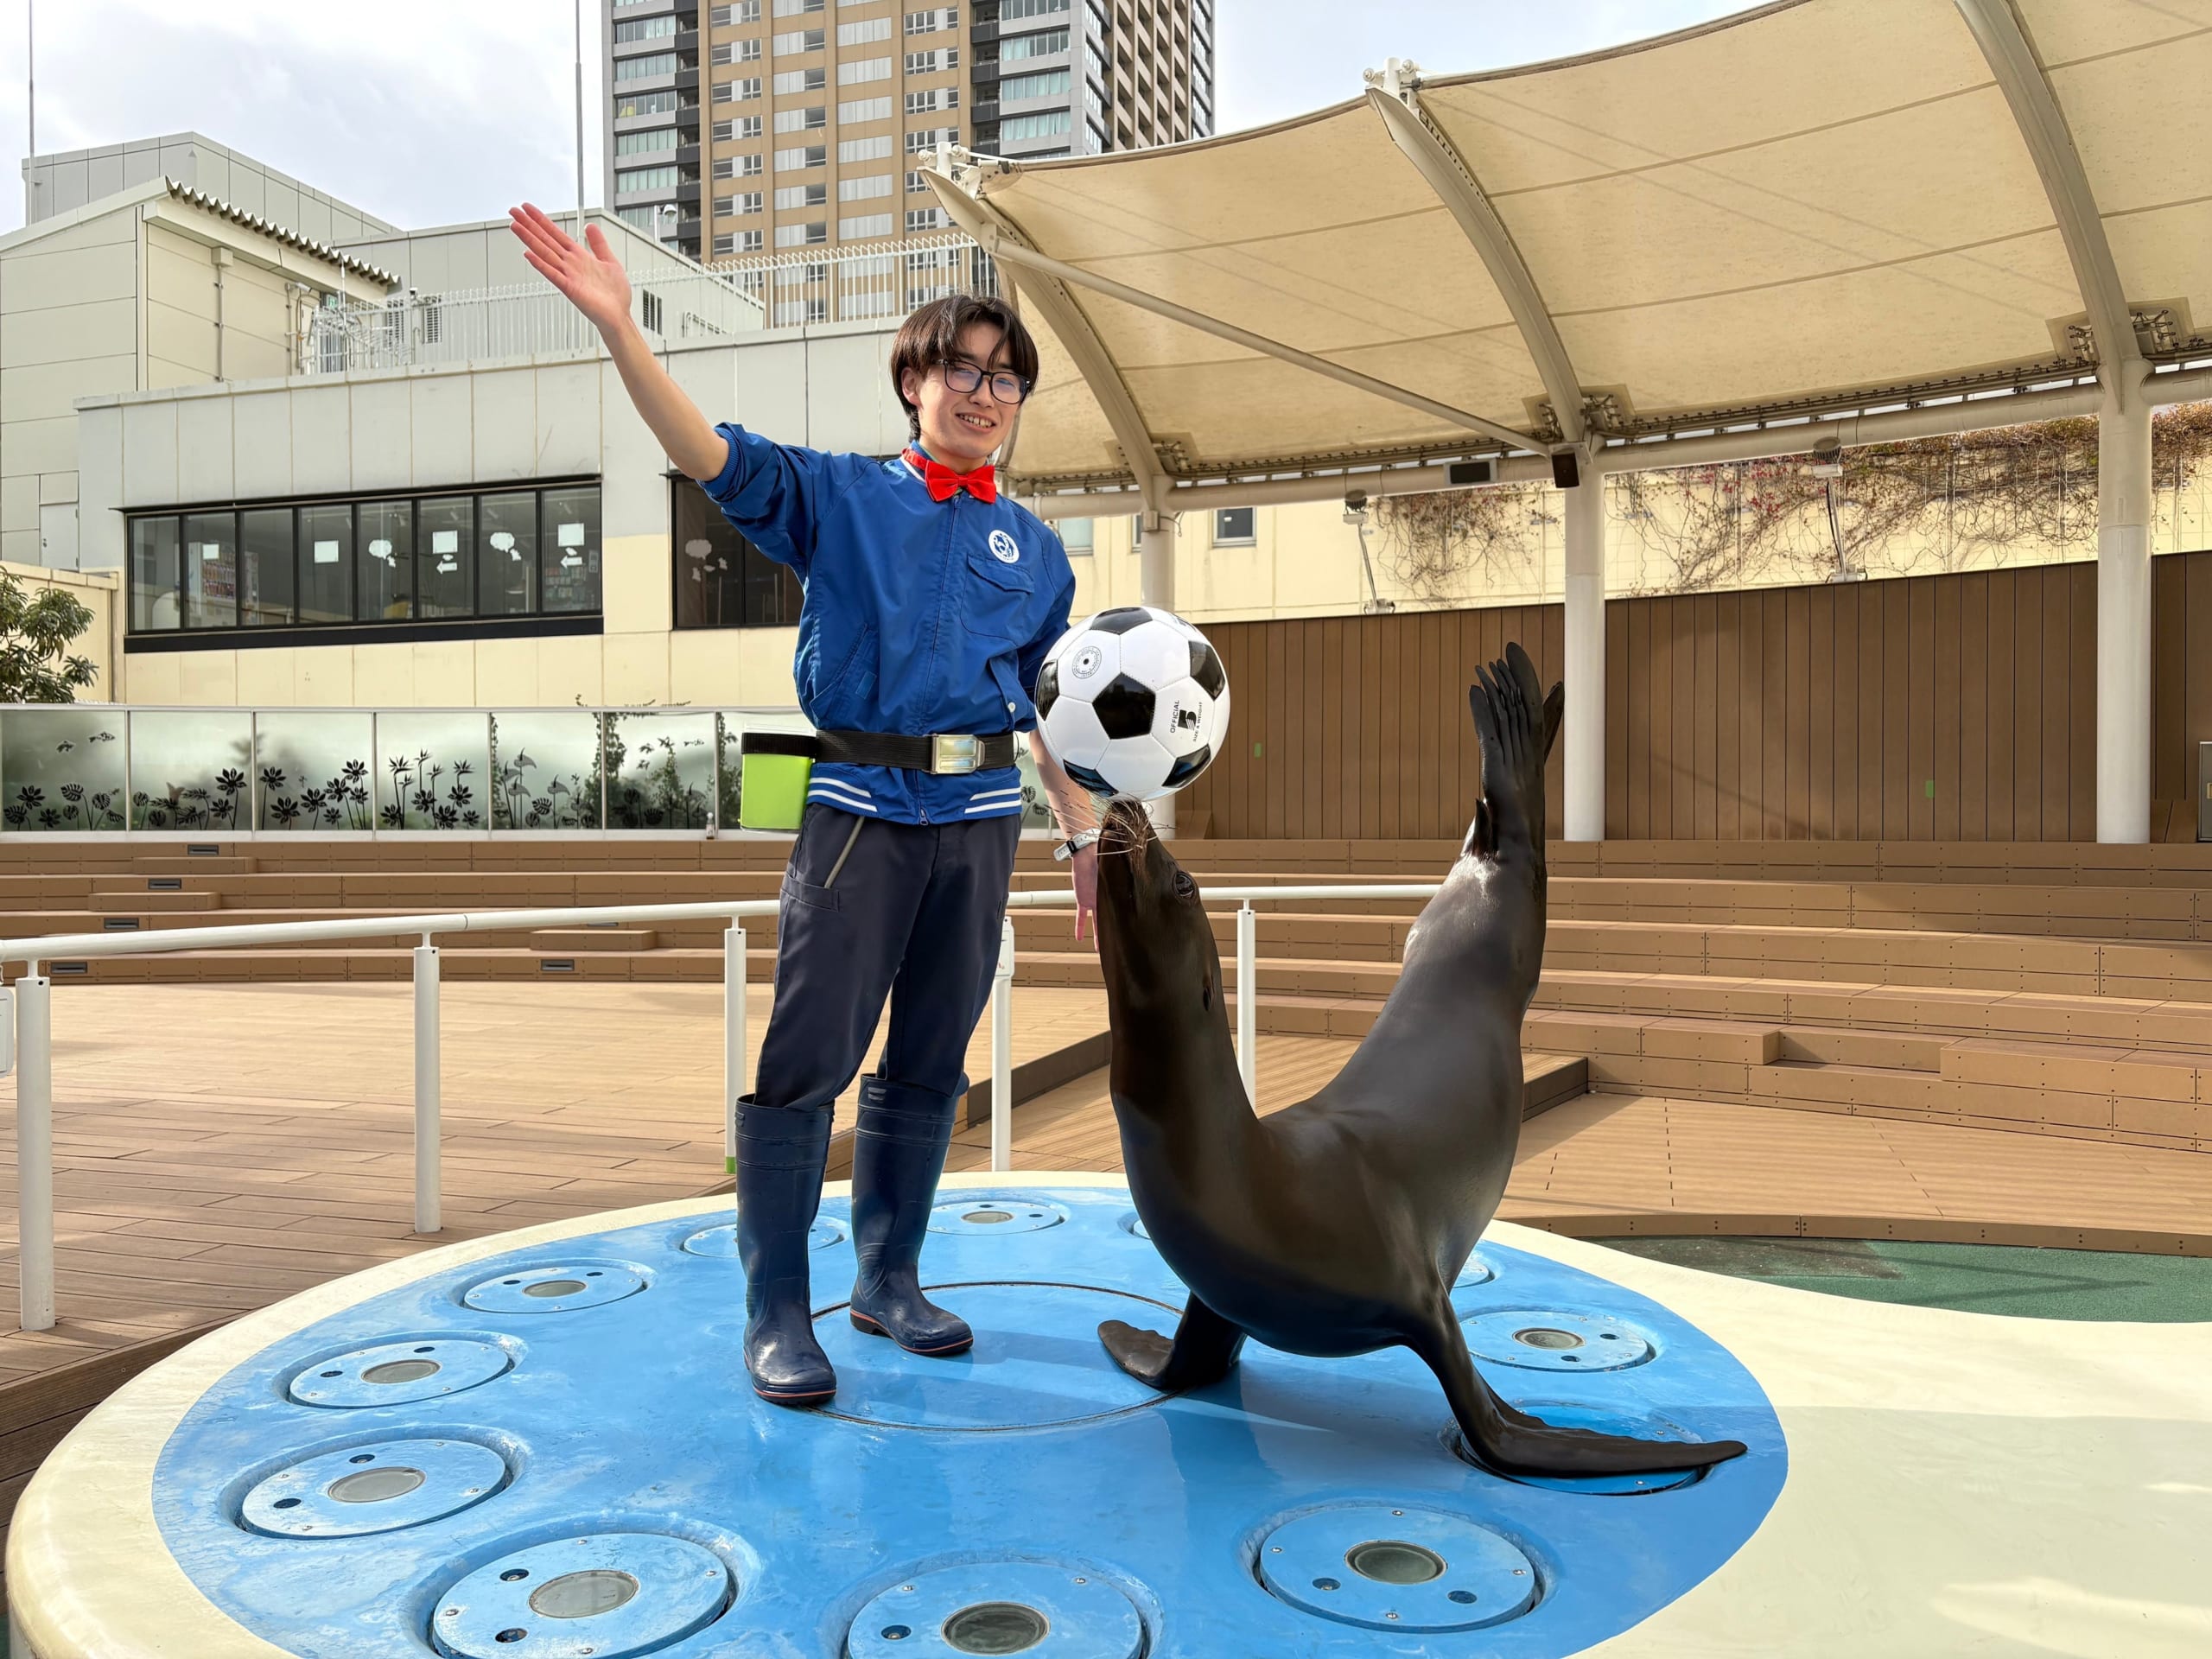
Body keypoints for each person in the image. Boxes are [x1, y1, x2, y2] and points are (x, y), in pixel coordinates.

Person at [508, 204, 1101, 1407]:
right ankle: (778, 1306)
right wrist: (622, 330)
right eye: (962, 370)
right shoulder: (840, 496)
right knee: (808, 1060)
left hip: (981, 818)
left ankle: (890, 1280)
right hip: (859, 808)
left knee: (933, 1054)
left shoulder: (1038, 553)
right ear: (914, 382)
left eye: (1006, 379)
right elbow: (706, 455)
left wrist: (1081, 829)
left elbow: (1040, 702)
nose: (984, 394)